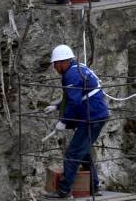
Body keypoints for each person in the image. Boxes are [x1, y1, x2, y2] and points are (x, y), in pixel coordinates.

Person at [43, 44, 109, 199]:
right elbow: (76, 95)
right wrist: (57, 106)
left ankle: (64, 191)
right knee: (83, 151)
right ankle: (95, 186)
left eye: (55, 64)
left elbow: (74, 102)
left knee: (72, 153)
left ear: (63, 62)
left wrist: (63, 121)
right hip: (96, 114)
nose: (54, 67)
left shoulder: (71, 75)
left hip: (91, 117)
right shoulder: (78, 67)